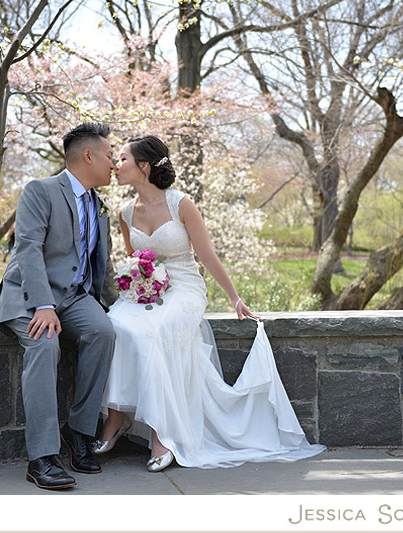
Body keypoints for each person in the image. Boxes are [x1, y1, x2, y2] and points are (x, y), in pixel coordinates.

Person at [93, 135, 324, 472]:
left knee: (154, 332)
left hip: (184, 289)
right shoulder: (126, 213)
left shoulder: (180, 204)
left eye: (124, 158)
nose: (116, 165)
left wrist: (234, 297)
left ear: (144, 165)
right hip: (148, 291)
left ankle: (163, 434)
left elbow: (206, 255)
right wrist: (139, 282)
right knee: (114, 325)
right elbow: (135, 259)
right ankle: (116, 418)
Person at [0, 122, 117, 490]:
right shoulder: (40, 190)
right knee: (45, 343)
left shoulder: (98, 204)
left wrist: (123, 306)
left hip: (73, 298)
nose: (115, 162)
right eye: (109, 154)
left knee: (104, 332)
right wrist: (42, 304)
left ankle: (78, 431)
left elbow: (102, 267)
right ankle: (41, 457)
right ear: (88, 155)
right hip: (28, 297)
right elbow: (27, 249)